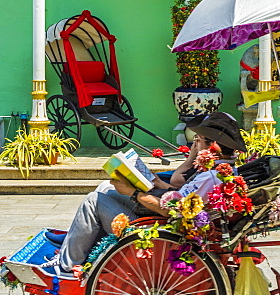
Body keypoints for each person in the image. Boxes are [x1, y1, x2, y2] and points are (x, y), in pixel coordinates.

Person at [54, 112, 245, 276]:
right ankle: (78, 245)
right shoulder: (223, 171)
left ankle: (66, 267)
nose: (195, 145)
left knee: (93, 201)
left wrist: (133, 192)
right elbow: (179, 195)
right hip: (163, 214)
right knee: (106, 189)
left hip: (161, 228)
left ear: (213, 146)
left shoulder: (210, 177)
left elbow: (169, 211)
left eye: (199, 141)